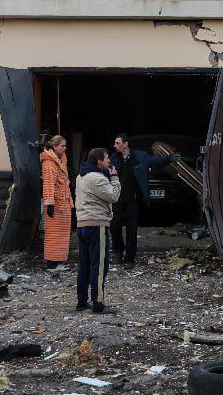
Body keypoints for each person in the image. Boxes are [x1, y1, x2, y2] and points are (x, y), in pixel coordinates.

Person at [109, 134, 179, 267]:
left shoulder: (140, 156)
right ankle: (118, 250)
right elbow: (103, 168)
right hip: (116, 198)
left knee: (132, 227)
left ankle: (129, 258)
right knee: (115, 225)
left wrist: (169, 158)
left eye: (117, 143)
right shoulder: (113, 157)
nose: (115, 145)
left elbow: (155, 161)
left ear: (126, 144)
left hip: (132, 198)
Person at [74, 147, 121, 314]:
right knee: (99, 266)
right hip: (96, 224)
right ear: (99, 161)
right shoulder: (97, 178)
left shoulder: (80, 176)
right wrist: (114, 178)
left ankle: (81, 300)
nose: (109, 161)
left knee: (84, 265)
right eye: (107, 158)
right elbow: (113, 196)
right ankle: (98, 303)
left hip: (82, 224)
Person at [40, 135, 72, 269]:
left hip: (62, 202)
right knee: (54, 233)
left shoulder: (60, 160)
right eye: (62, 146)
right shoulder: (49, 163)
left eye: (65, 146)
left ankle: (58, 261)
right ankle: (52, 264)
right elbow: (48, 184)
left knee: (62, 233)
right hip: (56, 203)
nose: (65, 148)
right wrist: (49, 203)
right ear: (55, 146)